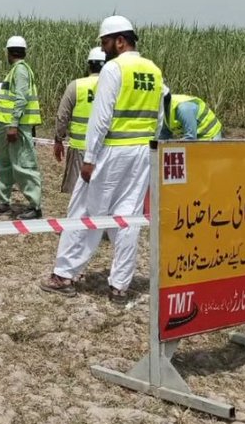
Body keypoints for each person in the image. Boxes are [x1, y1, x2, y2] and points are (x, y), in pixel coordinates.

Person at [40, 15, 163, 304]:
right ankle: (119, 287)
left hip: (112, 152)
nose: (104, 48)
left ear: (120, 41)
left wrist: (90, 158)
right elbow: (158, 118)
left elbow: (101, 118)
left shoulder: (115, 68)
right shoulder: (154, 71)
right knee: (128, 218)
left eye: (105, 42)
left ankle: (64, 275)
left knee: (84, 212)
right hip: (141, 153)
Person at [0, 36, 43, 219]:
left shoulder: (21, 71)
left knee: (24, 165)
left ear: (9, 52)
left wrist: (14, 125)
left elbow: (21, 99)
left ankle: (35, 206)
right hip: (8, 127)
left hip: (18, 128)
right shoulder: (17, 70)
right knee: (3, 164)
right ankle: (3, 202)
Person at [52, 47, 107, 194]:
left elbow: (62, 116)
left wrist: (58, 140)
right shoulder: (113, 86)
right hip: (105, 148)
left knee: (77, 192)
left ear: (89, 65)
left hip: (79, 148)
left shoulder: (76, 86)